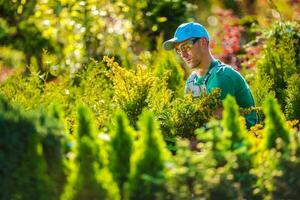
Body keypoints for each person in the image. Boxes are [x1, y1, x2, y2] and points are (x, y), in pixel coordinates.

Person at [162, 22, 257, 129]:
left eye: (186, 46)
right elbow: (189, 120)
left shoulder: (222, 75)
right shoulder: (191, 81)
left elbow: (217, 124)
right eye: (178, 50)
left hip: (242, 139)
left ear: (202, 42)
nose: (183, 55)